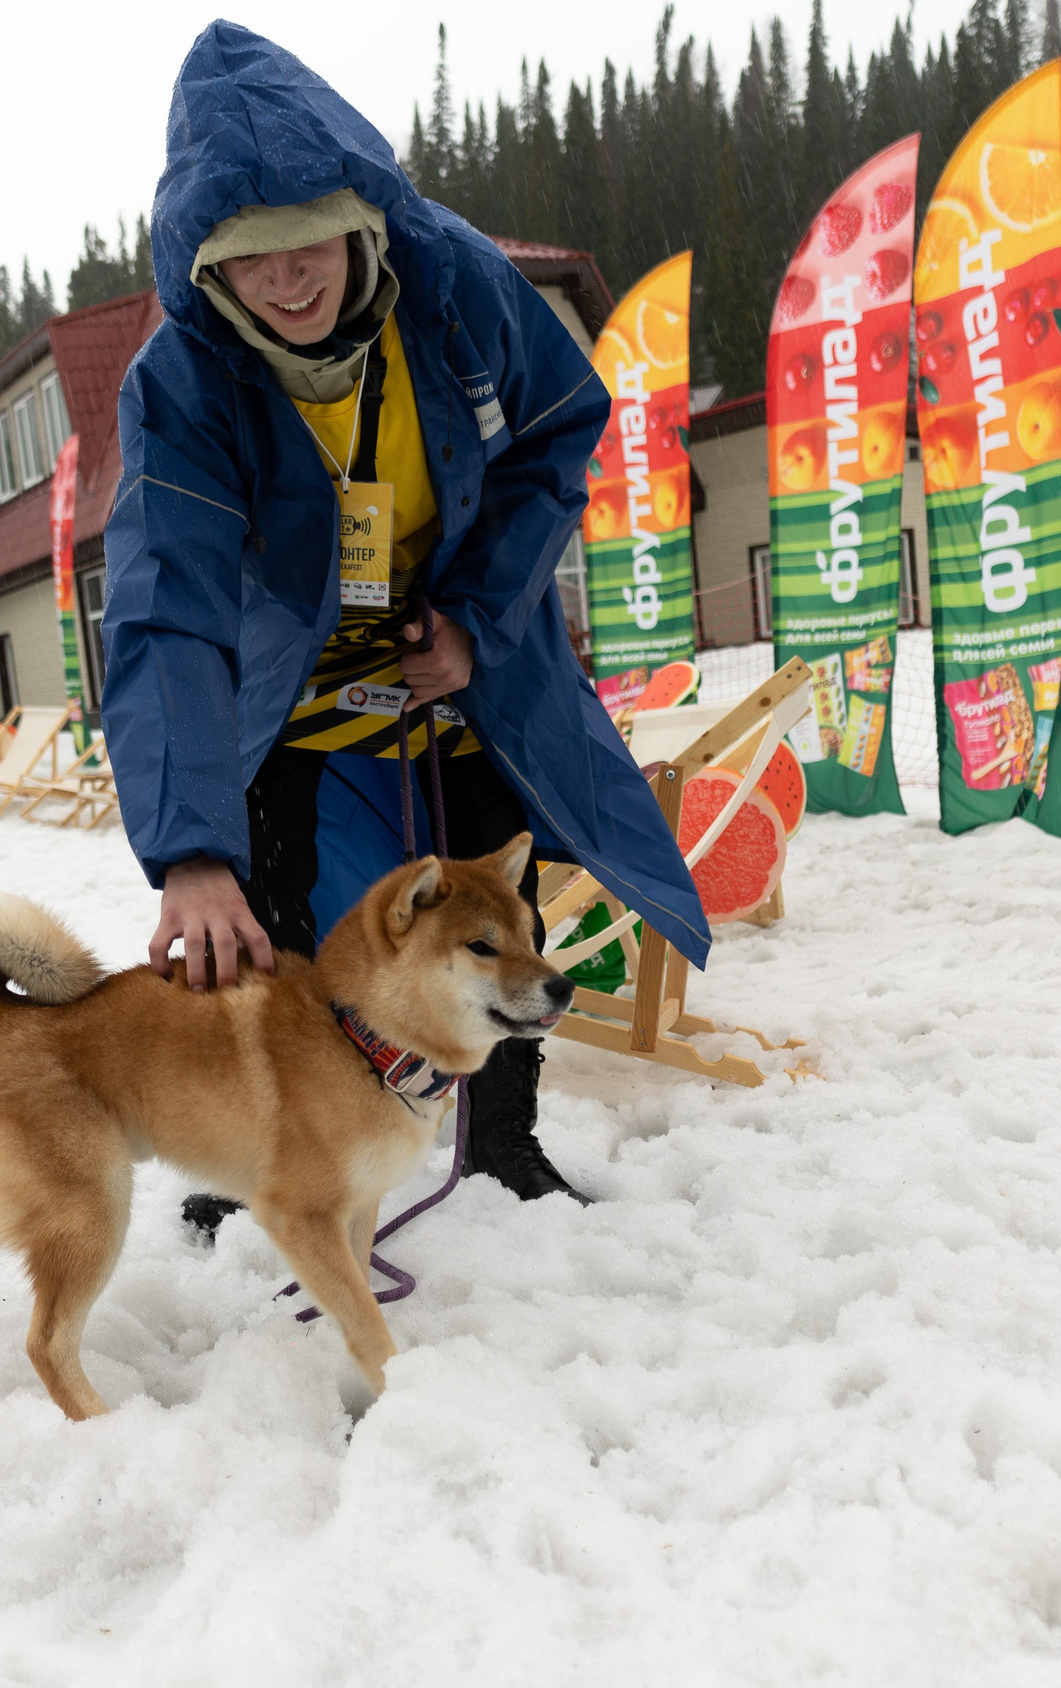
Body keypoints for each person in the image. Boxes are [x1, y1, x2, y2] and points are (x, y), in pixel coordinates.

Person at [101, 22, 710, 1219]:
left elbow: (555, 434)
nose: (288, 280)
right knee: (272, 934)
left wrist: (475, 622)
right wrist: (189, 850)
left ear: (358, 215)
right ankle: (260, 1163)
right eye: (248, 259)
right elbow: (164, 607)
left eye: (307, 241)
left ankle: (501, 1147)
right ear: (205, 268)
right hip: (288, 688)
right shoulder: (176, 385)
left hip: (464, 656)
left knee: (494, 907)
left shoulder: (457, 282)